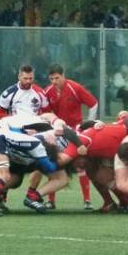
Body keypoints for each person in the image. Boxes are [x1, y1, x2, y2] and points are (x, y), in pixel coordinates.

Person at [44, 63, 98, 210]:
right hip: (57, 132)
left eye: (57, 78)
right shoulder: (48, 91)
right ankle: (50, 201)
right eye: (51, 79)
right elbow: (45, 112)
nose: (54, 81)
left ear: (63, 75)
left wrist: (89, 123)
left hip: (74, 132)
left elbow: (93, 103)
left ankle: (87, 201)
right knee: (53, 162)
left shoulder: (74, 87)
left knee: (80, 163)